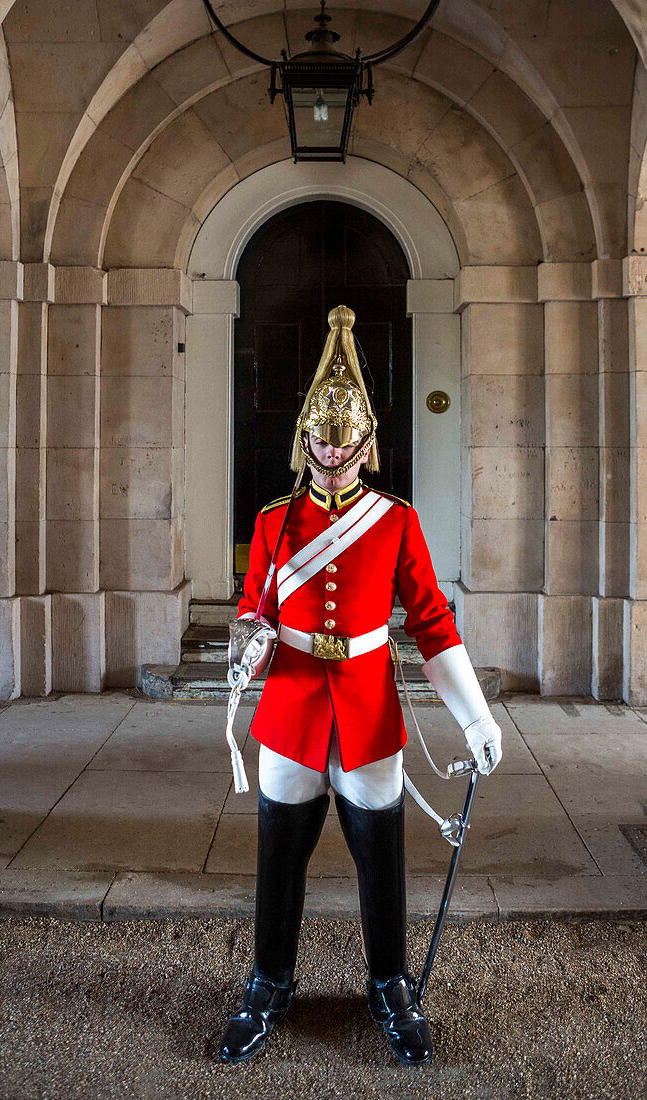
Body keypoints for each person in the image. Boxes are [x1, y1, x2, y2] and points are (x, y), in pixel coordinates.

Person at [218, 305, 502, 1066]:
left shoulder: (397, 520)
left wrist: (474, 718)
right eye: (322, 438)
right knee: (279, 856)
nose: (333, 454)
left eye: (345, 441)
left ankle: (389, 984)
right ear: (304, 437)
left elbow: (434, 625)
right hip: (293, 705)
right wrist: (246, 651)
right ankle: (269, 981)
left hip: (370, 704)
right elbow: (253, 611)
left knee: (381, 858)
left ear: (367, 443)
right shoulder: (275, 520)